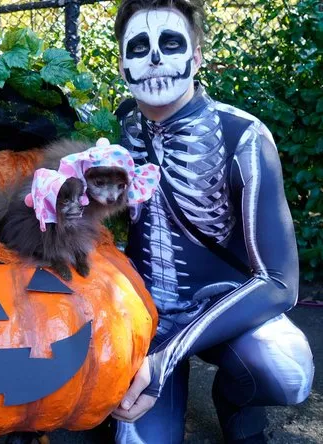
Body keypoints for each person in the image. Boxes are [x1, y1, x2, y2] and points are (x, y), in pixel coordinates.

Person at [109, 0, 314, 442]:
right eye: (140, 47)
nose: (156, 58)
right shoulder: (123, 128)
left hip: (226, 310)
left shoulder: (244, 136)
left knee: (288, 369)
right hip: (148, 319)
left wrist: (165, 360)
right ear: (123, 64)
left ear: (195, 58)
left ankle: (235, 400)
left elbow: (281, 281)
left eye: (171, 43)